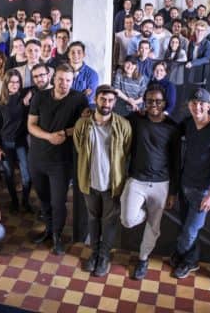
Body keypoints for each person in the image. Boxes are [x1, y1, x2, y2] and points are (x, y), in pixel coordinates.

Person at [27, 63, 89, 254]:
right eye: (61, 79)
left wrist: (63, 133)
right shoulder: (40, 97)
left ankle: (57, 236)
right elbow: (31, 125)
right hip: (37, 158)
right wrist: (49, 136)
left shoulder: (79, 99)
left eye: (68, 80)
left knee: (58, 202)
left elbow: (84, 125)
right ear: (53, 79)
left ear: (73, 81)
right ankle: (48, 229)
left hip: (61, 161)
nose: (64, 83)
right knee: (44, 199)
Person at [121, 84, 181, 280]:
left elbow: (176, 161)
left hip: (161, 184)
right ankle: (147, 213)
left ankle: (143, 259)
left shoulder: (172, 127)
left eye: (157, 101)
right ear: (144, 103)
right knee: (128, 219)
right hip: (136, 180)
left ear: (164, 103)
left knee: (153, 227)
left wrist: (173, 192)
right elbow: (114, 121)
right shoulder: (136, 119)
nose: (153, 104)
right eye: (149, 101)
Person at [73, 85, 132, 277]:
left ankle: (104, 256)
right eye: (103, 99)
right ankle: (94, 253)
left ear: (115, 102)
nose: (106, 104)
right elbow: (79, 147)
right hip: (89, 182)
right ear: (96, 100)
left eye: (110, 100)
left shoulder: (123, 125)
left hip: (112, 185)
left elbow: (127, 151)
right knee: (93, 219)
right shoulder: (82, 124)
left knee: (109, 222)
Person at [171, 88, 210, 278]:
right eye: (194, 103)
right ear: (189, 105)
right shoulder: (188, 123)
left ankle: (180, 252)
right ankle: (190, 261)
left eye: (202, 104)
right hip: (185, 185)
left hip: (203, 191)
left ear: (209, 106)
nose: (197, 107)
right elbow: (170, 130)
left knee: (190, 231)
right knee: (186, 227)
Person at [0, 70, 32, 213]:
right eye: (12, 82)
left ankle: (25, 202)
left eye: (17, 82)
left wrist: (27, 99)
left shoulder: (24, 96)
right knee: (9, 175)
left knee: (27, 176)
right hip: (5, 143)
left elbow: (38, 87)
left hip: (21, 142)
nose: (15, 85)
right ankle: (14, 202)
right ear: (6, 83)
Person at [67, 41, 99, 105]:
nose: (76, 55)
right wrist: (82, 94)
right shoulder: (61, 72)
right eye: (73, 52)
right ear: (68, 55)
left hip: (84, 109)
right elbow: (59, 93)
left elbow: (89, 98)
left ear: (84, 54)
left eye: (79, 52)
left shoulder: (92, 74)